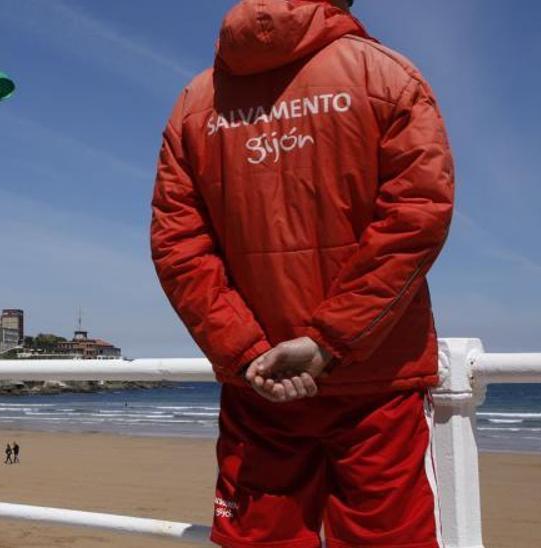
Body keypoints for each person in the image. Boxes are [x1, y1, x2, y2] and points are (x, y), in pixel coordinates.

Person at [150, 1, 455, 545]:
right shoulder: (387, 75)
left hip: (258, 385)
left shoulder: (197, 103)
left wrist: (246, 352)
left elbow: (178, 246)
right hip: (376, 380)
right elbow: (417, 216)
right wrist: (329, 340)